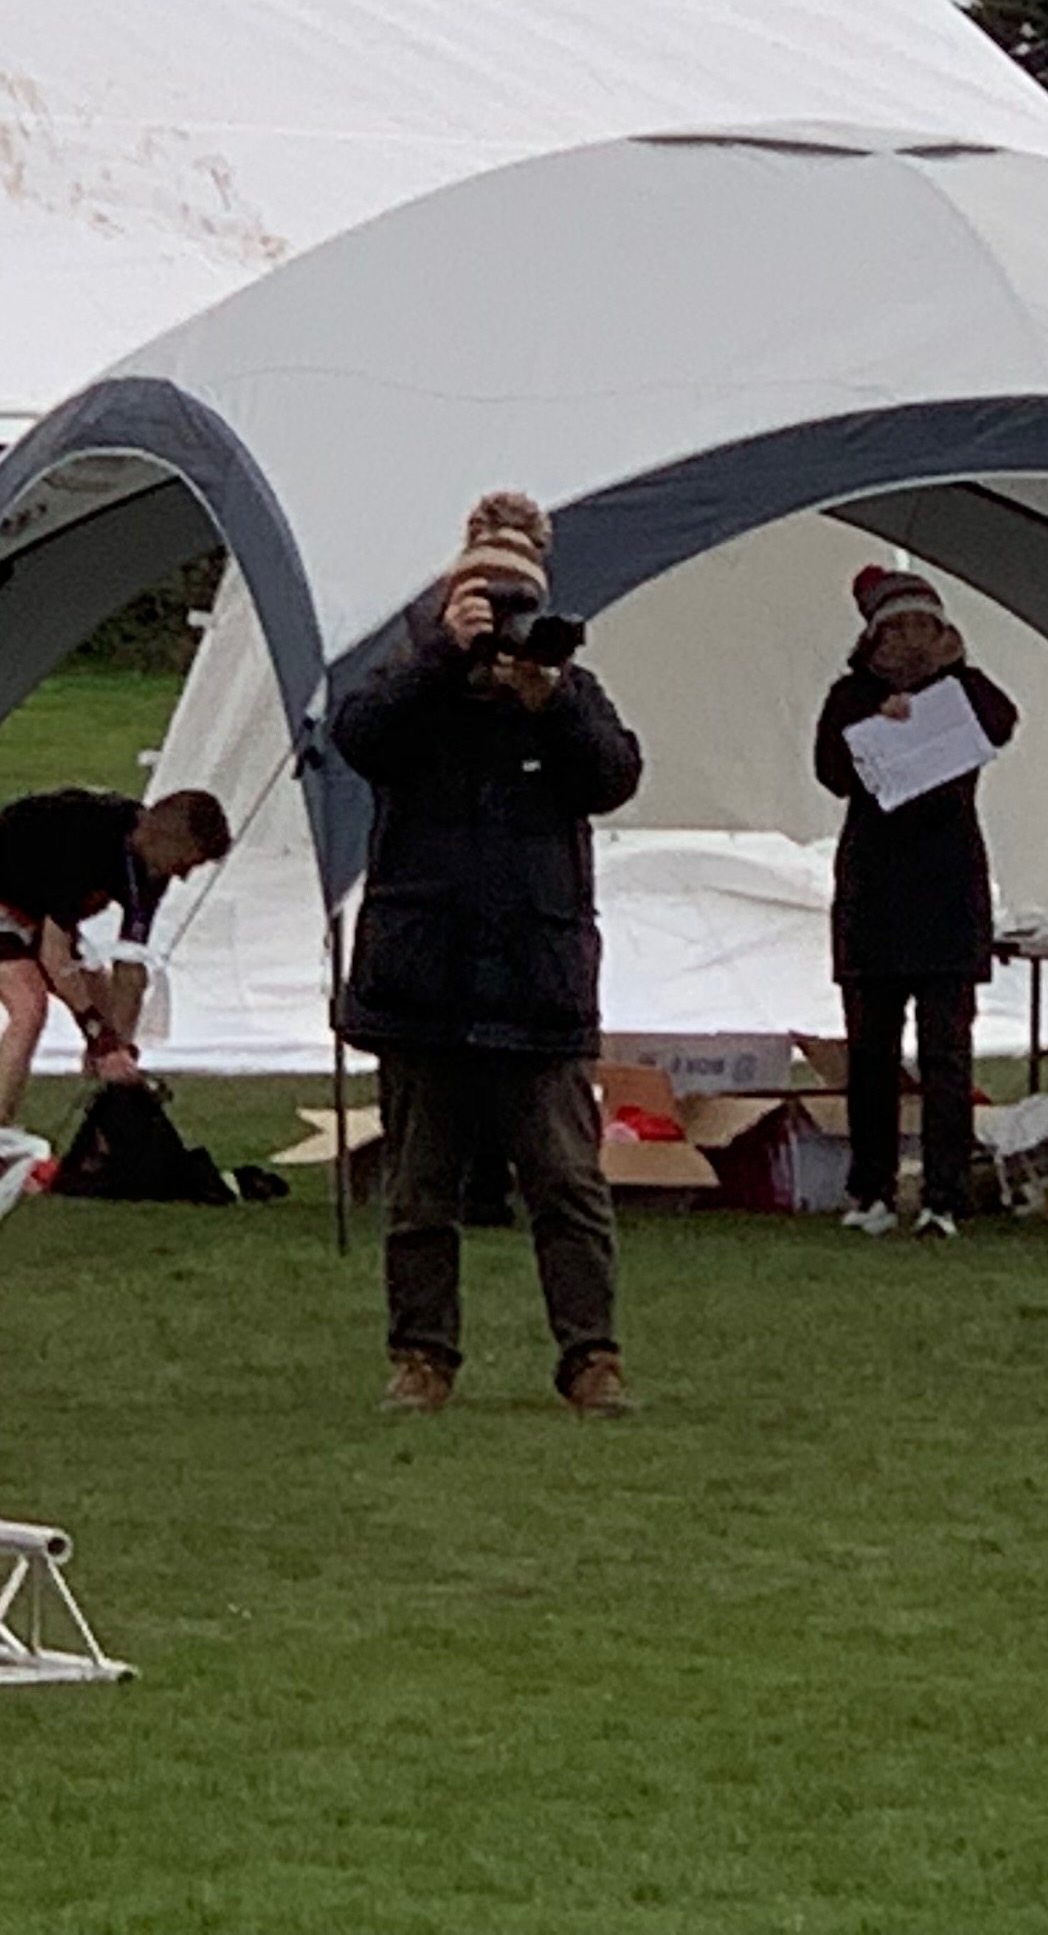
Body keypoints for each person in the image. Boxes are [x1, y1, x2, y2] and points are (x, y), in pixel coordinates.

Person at [332, 491, 645, 1419]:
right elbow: (358, 737)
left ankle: (591, 1355)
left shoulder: (564, 691)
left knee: (568, 1182)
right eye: (487, 601)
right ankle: (420, 1356)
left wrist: (554, 703)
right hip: (425, 975)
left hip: (536, 978)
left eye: (519, 605)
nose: (504, 624)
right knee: (420, 1188)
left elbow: (615, 776)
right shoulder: (413, 681)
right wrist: (441, 654)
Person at [810, 565, 1018, 1240]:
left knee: (945, 1055)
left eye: (923, 628)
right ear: (872, 639)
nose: (909, 642)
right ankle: (870, 1187)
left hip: (948, 891)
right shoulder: (849, 697)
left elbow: (1002, 721)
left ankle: (944, 1195)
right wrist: (877, 718)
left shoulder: (966, 691)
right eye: (895, 630)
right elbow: (831, 770)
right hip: (874, 893)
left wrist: (944, 682)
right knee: (871, 1054)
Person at [0, 783, 237, 1196]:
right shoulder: (86, 842)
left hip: (37, 907)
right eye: (186, 862)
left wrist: (119, 1051)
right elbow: (54, 956)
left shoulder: (149, 870)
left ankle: (106, 1126)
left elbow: (131, 968)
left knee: (102, 1003)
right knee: (29, 1005)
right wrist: (99, 1037)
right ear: (163, 839)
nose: (183, 875)